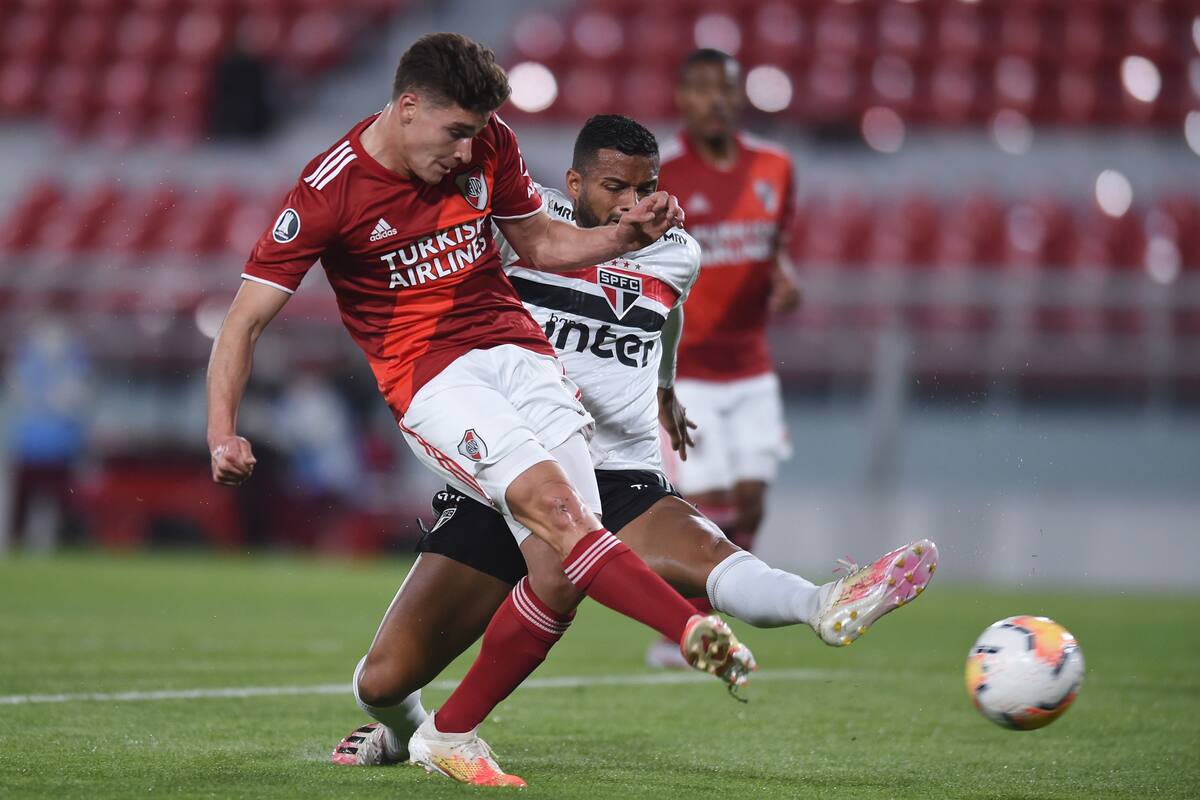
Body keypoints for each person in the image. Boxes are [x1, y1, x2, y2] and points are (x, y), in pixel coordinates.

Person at [206, 35, 752, 789]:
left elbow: (538, 242)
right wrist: (222, 430)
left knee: (566, 561)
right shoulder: (329, 190)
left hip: (517, 352)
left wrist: (622, 236)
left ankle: (451, 731)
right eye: (455, 131)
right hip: (431, 377)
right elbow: (244, 321)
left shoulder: (489, 142)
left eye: (476, 132)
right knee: (539, 533)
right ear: (406, 108)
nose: (467, 149)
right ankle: (689, 629)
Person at [329, 115, 939, 786]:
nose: (630, 201)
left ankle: (825, 604)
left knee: (715, 561)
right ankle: (405, 729)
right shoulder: (519, 224)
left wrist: (668, 387)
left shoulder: (677, 251)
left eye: (645, 185)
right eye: (614, 185)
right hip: (508, 468)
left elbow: (668, 319)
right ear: (574, 181)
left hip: (618, 470)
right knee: (383, 679)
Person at [657, 48, 802, 556]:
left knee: (751, 504)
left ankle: (717, 609)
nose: (714, 100)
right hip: (688, 371)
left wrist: (785, 278)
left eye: (725, 88)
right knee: (704, 513)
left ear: (739, 95)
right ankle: (679, 635)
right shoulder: (663, 175)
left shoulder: (776, 167)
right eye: (702, 89)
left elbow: (774, 244)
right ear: (681, 98)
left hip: (752, 368)